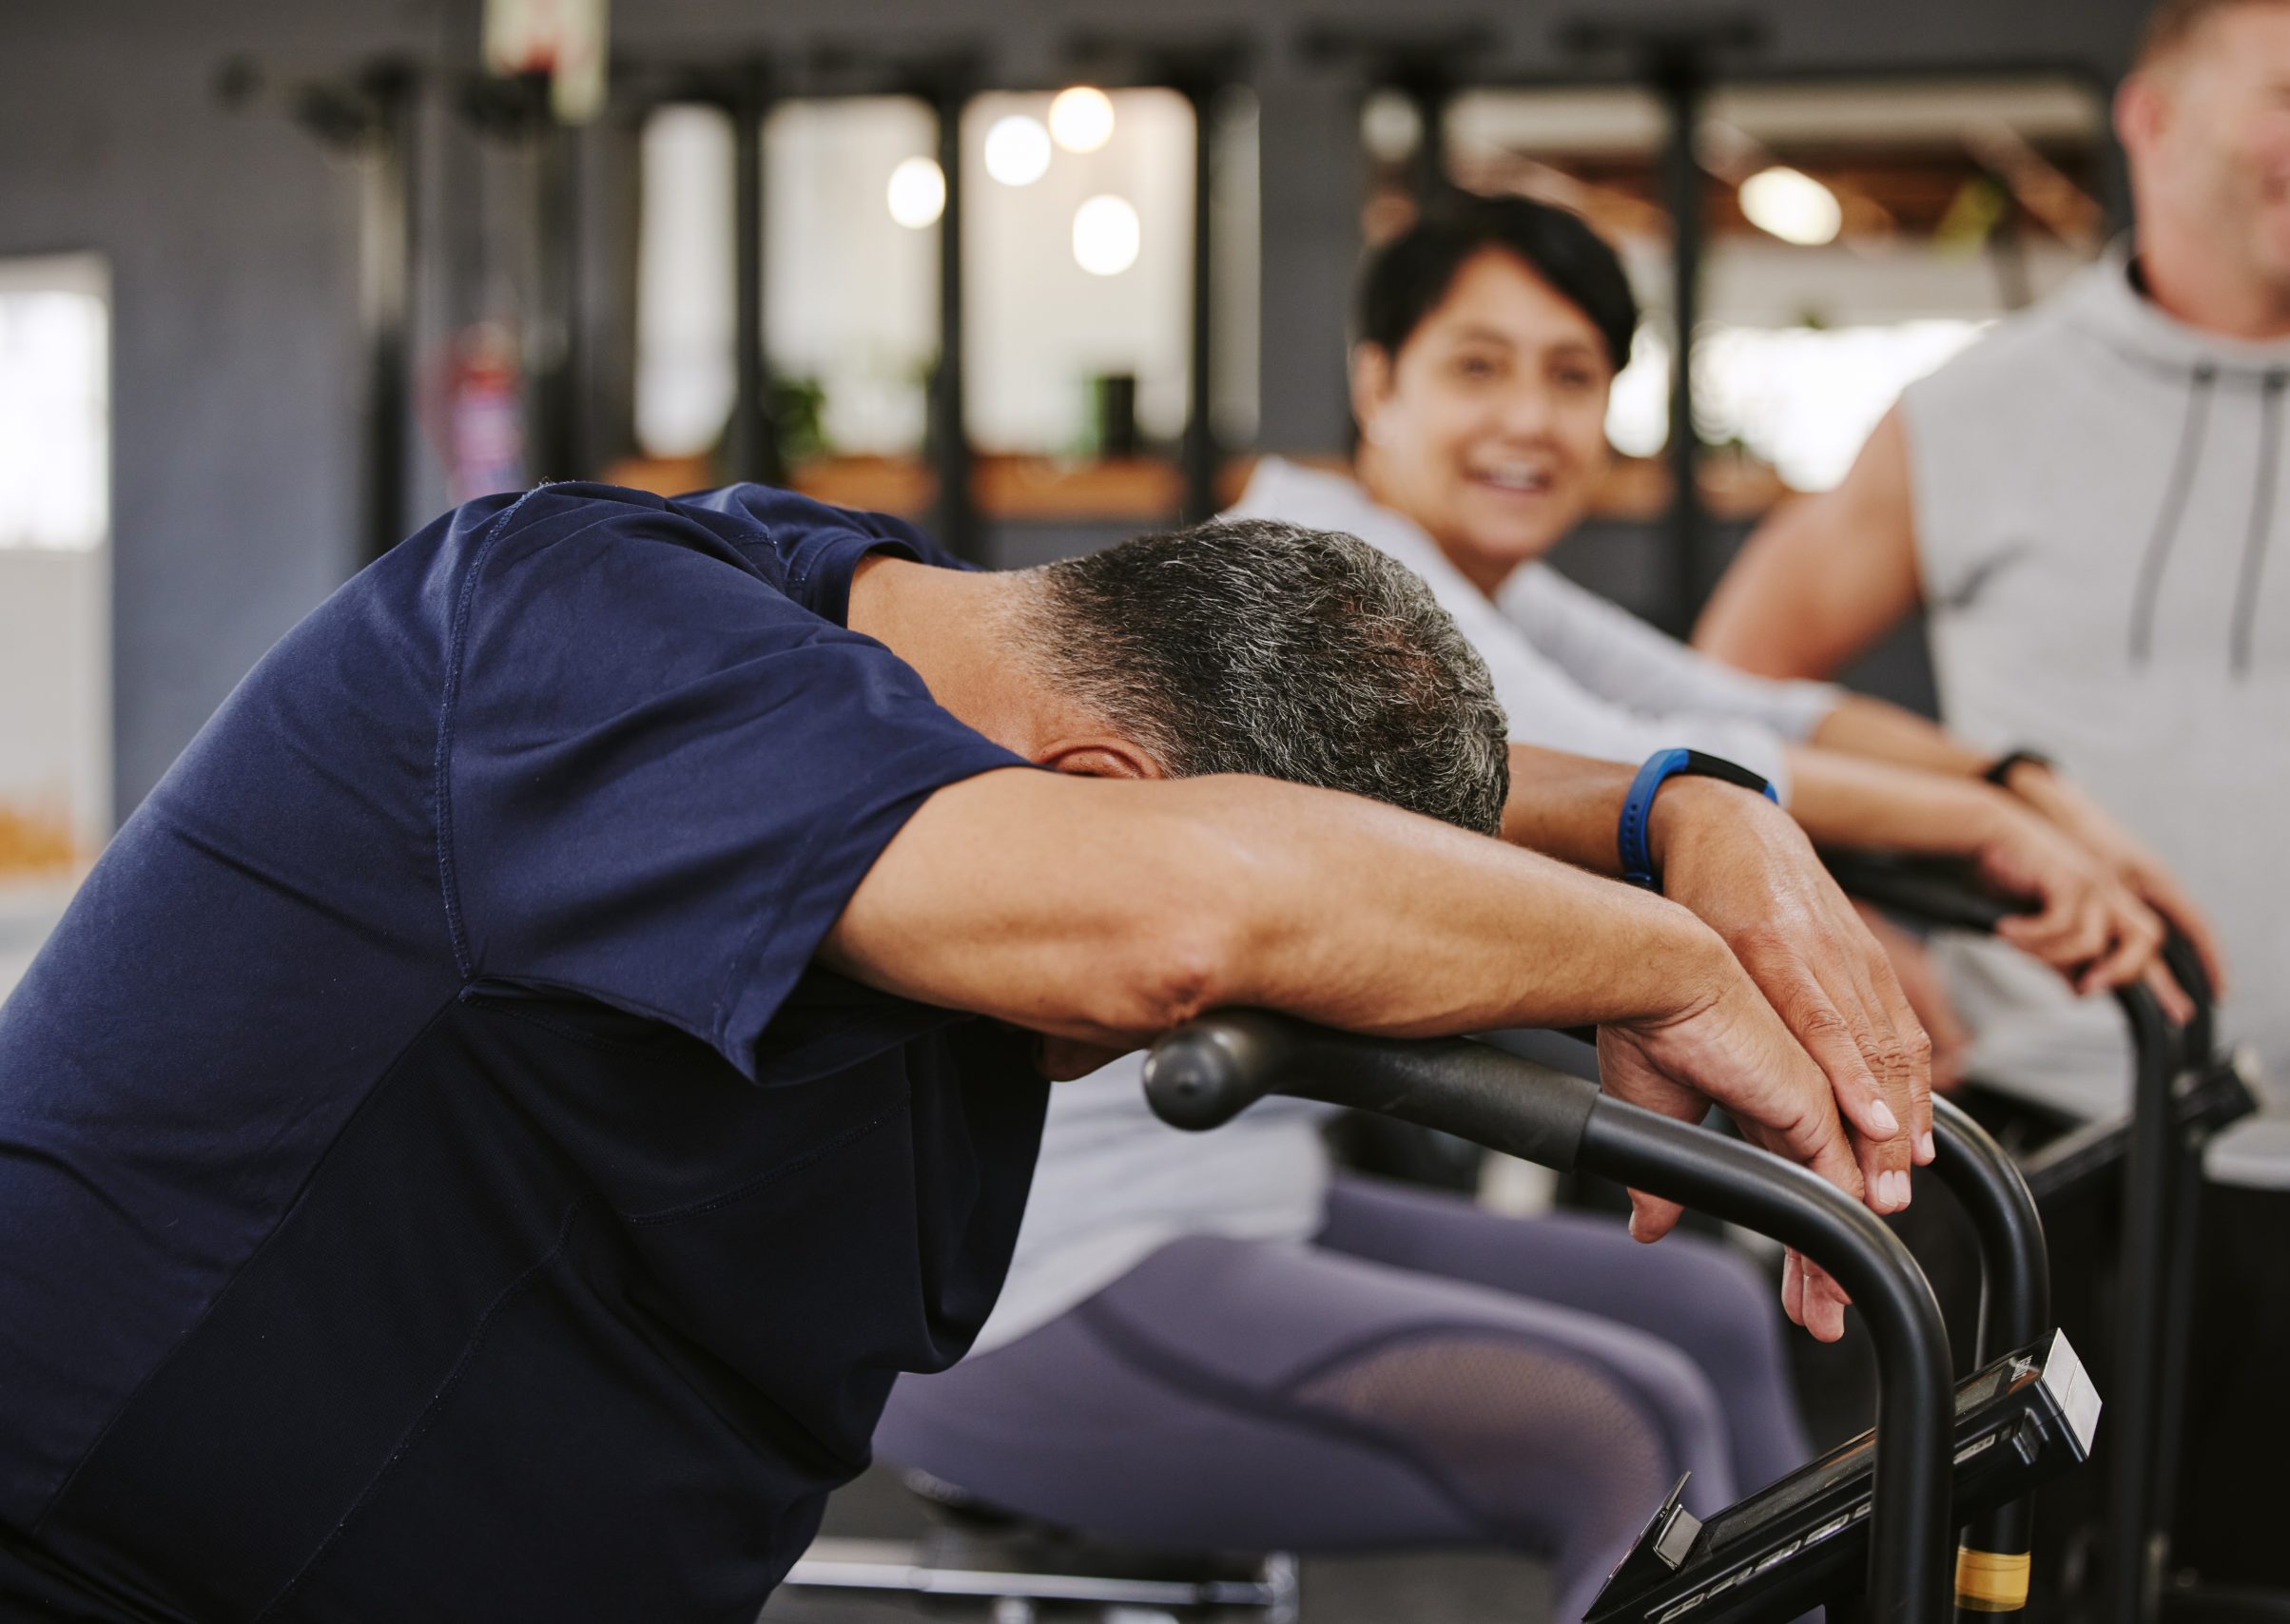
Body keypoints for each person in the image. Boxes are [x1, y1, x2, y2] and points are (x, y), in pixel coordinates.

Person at [0, 480, 1926, 1623]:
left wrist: (1686, 808)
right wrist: (1663, 962)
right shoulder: (576, 625)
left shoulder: (932, 674)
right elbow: (1181, 910)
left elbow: (1253, 840)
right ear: (1090, 782)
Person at [875, 195, 2203, 1620]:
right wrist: (1990, 828)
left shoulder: (1479, 582)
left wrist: (2014, 786)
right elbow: (1603, 767)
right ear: (1376, 382)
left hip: (1249, 1204)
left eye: (1573, 378)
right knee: (1615, 1436)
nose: (1528, 418)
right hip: (1039, 1275)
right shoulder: (1315, 571)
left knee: (1703, 1310)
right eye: (1478, 367)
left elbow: (1736, 710)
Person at [1692, 0, 2290, 1610]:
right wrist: (1876, 944)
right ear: (2155, 120)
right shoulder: (1979, 409)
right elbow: (1735, 682)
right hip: (2041, 1166)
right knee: (1999, 1596)